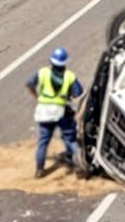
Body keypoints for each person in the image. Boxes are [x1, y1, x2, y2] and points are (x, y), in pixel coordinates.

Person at [26, 47, 84, 178]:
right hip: (60, 111)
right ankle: (78, 164)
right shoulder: (69, 76)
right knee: (70, 139)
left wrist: (37, 97)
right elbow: (78, 93)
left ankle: (39, 170)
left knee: (43, 142)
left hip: (44, 112)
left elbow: (30, 84)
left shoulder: (42, 72)